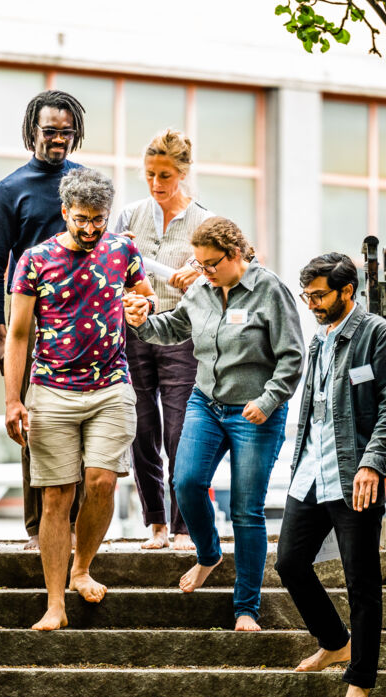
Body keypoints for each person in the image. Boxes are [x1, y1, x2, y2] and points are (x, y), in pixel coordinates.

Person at [123, 217, 303, 632]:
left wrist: (269, 399)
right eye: (199, 264)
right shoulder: (202, 290)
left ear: (236, 254)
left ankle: (246, 608)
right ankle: (208, 554)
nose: (202, 273)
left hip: (255, 411)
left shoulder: (269, 290)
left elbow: (292, 356)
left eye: (210, 264)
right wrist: (141, 323)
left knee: (246, 510)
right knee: (185, 482)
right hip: (206, 403)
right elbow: (174, 328)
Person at [4, 168, 155, 631]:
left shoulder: (123, 250)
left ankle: (83, 568)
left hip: (111, 384)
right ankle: (55, 604)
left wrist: (141, 306)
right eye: (82, 218)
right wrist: (14, 400)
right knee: (55, 496)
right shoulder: (35, 259)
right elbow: (18, 334)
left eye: (99, 219)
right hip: (51, 389)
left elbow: (144, 297)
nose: (91, 229)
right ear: (65, 212)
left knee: (102, 482)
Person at [273, 253, 386, 697]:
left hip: (355, 478)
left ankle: (361, 683)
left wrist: (372, 464)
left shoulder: (378, 335)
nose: (311, 303)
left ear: (347, 290)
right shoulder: (318, 340)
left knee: (361, 582)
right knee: (290, 563)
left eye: (319, 295)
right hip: (310, 473)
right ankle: (334, 640)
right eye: (306, 295)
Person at [0, 90, 87, 550]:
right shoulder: (10, 190)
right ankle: (35, 529)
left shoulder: (86, 184)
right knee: (34, 428)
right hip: (32, 325)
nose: (58, 139)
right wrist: (2, 336)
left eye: (66, 132)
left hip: (85, 324)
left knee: (84, 425)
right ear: (32, 131)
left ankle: (79, 527)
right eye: (50, 131)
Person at [112, 130, 212, 551]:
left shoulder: (205, 220)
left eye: (166, 175)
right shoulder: (129, 214)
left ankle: (184, 525)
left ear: (184, 173)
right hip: (135, 329)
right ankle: (155, 524)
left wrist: (199, 271)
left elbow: (217, 274)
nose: (157, 183)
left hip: (181, 334)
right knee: (141, 428)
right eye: (151, 174)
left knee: (179, 430)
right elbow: (114, 260)